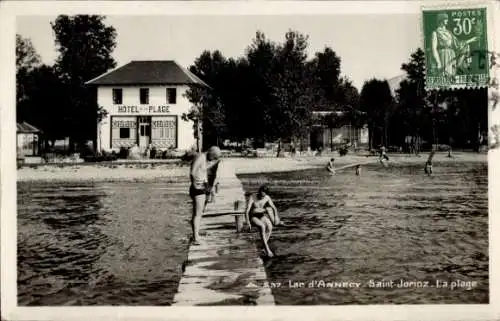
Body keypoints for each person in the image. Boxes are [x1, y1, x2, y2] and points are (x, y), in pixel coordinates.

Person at [189, 146, 222, 245]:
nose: (213, 160)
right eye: (214, 157)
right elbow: (192, 172)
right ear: (211, 153)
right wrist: (195, 184)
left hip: (202, 187)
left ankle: (195, 235)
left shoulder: (204, 158)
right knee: (197, 214)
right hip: (198, 188)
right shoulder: (200, 157)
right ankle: (195, 237)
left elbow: (202, 171)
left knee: (198, 213)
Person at [245, 185, 282, 258]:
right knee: (262, 226)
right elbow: (247, 211)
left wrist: (276, 216)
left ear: (265, 194)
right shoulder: (253, 196)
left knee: (270, 227)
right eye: (260, 195)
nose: (261, 197)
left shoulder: (267, 197)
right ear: (259, 192)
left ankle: (263, 246)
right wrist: (248, 223)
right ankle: (267, 249)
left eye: (263, 196)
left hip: (261, 215)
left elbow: (274, 207)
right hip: (253, 216)